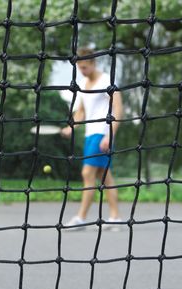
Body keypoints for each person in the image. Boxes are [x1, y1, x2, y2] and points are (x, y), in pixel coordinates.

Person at [61, 48, 123, 230]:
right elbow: (81, 112)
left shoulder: (107, 81)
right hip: (90, 135)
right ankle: (115, 218)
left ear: (94, 63)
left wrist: (109, 135)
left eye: (85, 67)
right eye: (80, 68)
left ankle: (81, 218)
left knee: (87, 174)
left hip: (102, 134)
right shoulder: (82, 83)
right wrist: (71, 127)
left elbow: (118, 110)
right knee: (105, 177)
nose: (82, 71)